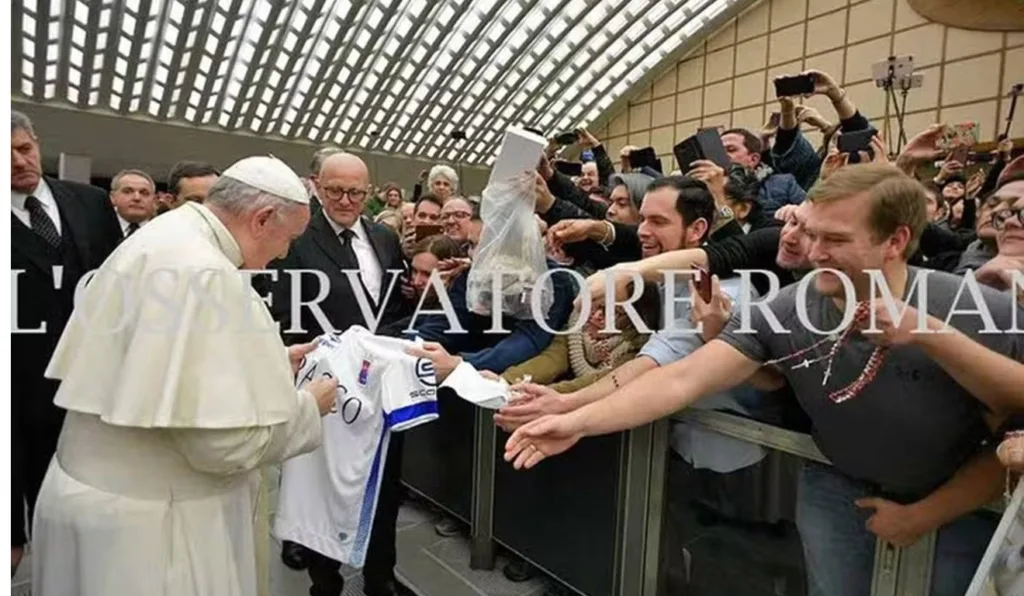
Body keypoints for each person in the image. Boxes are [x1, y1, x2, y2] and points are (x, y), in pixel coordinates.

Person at [506, 164, 1023, 596]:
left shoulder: (974, 306)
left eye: (836, 239)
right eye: (810, 232)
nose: (813, 251)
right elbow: (681, 379)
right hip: (837, 490)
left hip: (959, 508)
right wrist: (578, 422)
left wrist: (931, 337)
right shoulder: (785, 307)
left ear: (896, 240)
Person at [30, 155, 338, 596]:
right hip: (154, 532)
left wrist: (269, 361)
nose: (286, 252)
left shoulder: (163, 237)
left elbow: (155, 361)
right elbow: (223, 446)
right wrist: (309, 406)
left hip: (91, 497)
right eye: (288, 237)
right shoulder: (209, 274)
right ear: (263, 217)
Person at [266, 152, 412, 596]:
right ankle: (324, 579)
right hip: (325, 383)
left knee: (385, 482)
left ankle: (380, 574)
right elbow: (282, 311)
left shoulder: (384, 237)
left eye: (356, 192)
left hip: (381, 382)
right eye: (335, 191)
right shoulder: (296, 238)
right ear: (315, 185)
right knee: (322, 485)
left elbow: (395, 308)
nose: (346, 201)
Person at [11, 110, 124, 575]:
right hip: (17, 391)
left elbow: (122, 283)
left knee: (92, 507)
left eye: (24, 148)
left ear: (37, 142)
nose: (18, 162)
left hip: (91, 387)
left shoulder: (91, 202)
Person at [108, 168, 158, 236]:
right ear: (112, 197)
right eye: (127, 192)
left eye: (144, 193)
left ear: (154, 200)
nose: (137, 198)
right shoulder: (95, 228)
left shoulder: (163, 232)